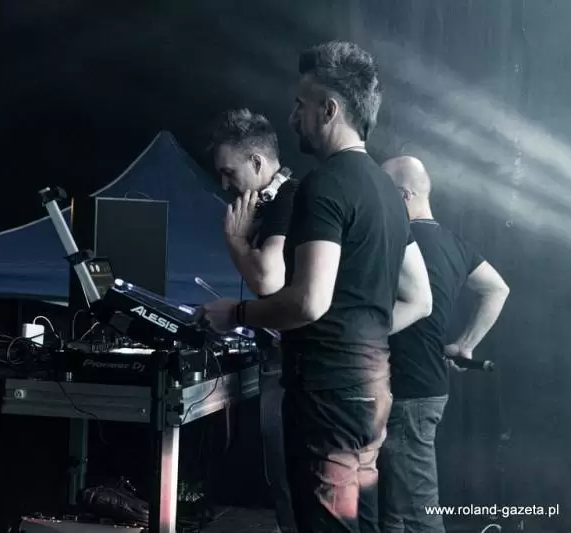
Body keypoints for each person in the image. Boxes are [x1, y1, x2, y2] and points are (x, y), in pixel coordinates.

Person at [201, 41, 433, 533]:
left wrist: (234, 313)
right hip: (372, 391)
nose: (293, 118)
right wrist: (359, 336)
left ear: (329, 110)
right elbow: (419, 298)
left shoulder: (323, 185)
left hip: (327, 398)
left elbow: (308, 301)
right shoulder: (388, 192)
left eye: (301, 106)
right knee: (359, 523)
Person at [378, 156, 510, 533]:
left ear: (403, 195)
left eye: (384, 192)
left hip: (408, 390)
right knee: (394, 508)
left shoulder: (396, 242)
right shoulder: (454, 244)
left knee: (418, 514)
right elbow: (497, 289)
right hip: (423, 387)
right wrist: (465, 345)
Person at [209, 108, 298, 533]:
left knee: (291, 485)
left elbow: (267, 278)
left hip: (293, 364)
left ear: (258, 162)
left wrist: (235, 240)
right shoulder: (280, 202)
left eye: (230, 172)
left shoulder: (287, 200)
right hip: (287, 361)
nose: (225, 186)